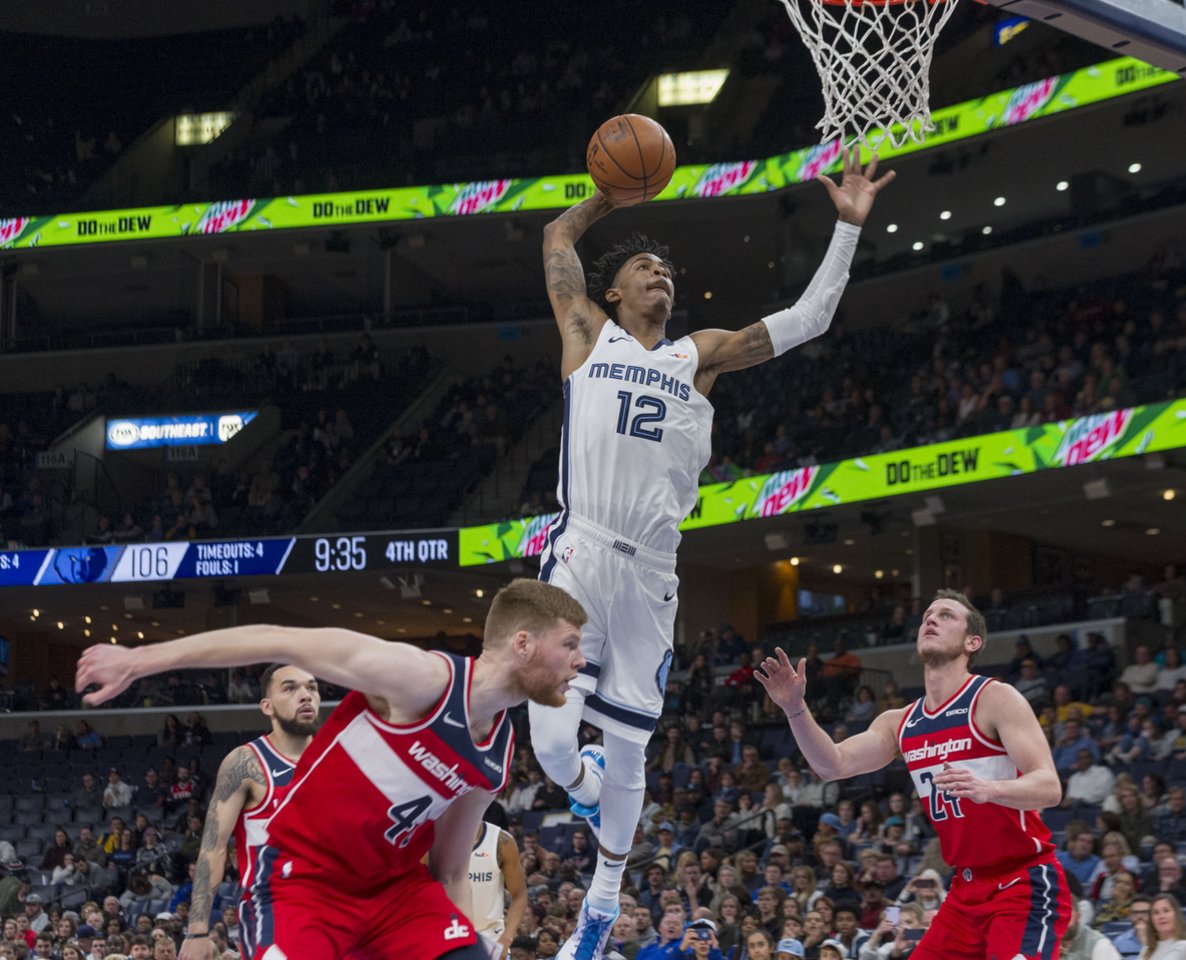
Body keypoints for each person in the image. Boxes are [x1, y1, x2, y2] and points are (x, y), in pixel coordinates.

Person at [532, 145, 894, 960]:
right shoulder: (587, 335)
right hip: (581, 553)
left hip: (652, 575)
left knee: (631, 748)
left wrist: (846, 226)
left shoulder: (698, 356)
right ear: (613, 292)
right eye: (644, 268)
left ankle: (602, 903)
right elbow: (556, 239)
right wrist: (607, 198)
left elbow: (811, 319)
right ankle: (582, 789)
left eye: (667, 269)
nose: (660, 274)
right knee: (555, 749)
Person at [74, 578, 587, 960]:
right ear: (523, 643)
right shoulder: (421, 679)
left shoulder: (497, 751)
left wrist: (465, 938)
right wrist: (138, 661)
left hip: (395, 894)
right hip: (303, 884)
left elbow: (449, 869)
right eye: (569, 644)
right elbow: (277, 639)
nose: (580, 660)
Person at [755, 589, 1069, 960]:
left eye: (946, 615)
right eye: (927, 616)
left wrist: (990, 789)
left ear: (972, 642)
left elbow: (1049, 787)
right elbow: (831, 765)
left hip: (1023, 881)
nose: (931, 619)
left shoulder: (994, 698)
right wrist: (795, 708)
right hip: (966, 889)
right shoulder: (901, 721)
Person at [181, 664, 321, 960]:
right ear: (267, 706)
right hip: (273, 911)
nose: (305, 695)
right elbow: (213, 848)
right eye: (290, 688)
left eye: (311, 687)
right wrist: (197, 931)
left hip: (336, 908)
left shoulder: (338, 757)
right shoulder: (246, 763)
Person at [467, 822, 527, 960]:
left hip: (491, 938)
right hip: (450, 935)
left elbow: (519, 895)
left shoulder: (501, 841)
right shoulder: (437, 839)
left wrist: (507, 938)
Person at [1142, 894, 1186, 960]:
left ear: (1176, 915)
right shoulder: (1146, 950)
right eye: (1156, 912)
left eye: (1166, 911)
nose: (1161, 916)